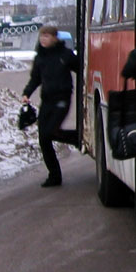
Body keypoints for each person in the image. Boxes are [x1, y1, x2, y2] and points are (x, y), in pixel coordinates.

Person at [22, 25, 79, 187]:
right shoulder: (40, 57)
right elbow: (35, 79)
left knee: (50, 132)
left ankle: (76, 137)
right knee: (43, 138)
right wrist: (26, 94)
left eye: (47, 36)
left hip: (62, 99)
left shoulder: (65, 54)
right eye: (42, 36)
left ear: (55, 38)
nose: (43, 39)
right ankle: (54, 175)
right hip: (47, 101)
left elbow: (82, 68)